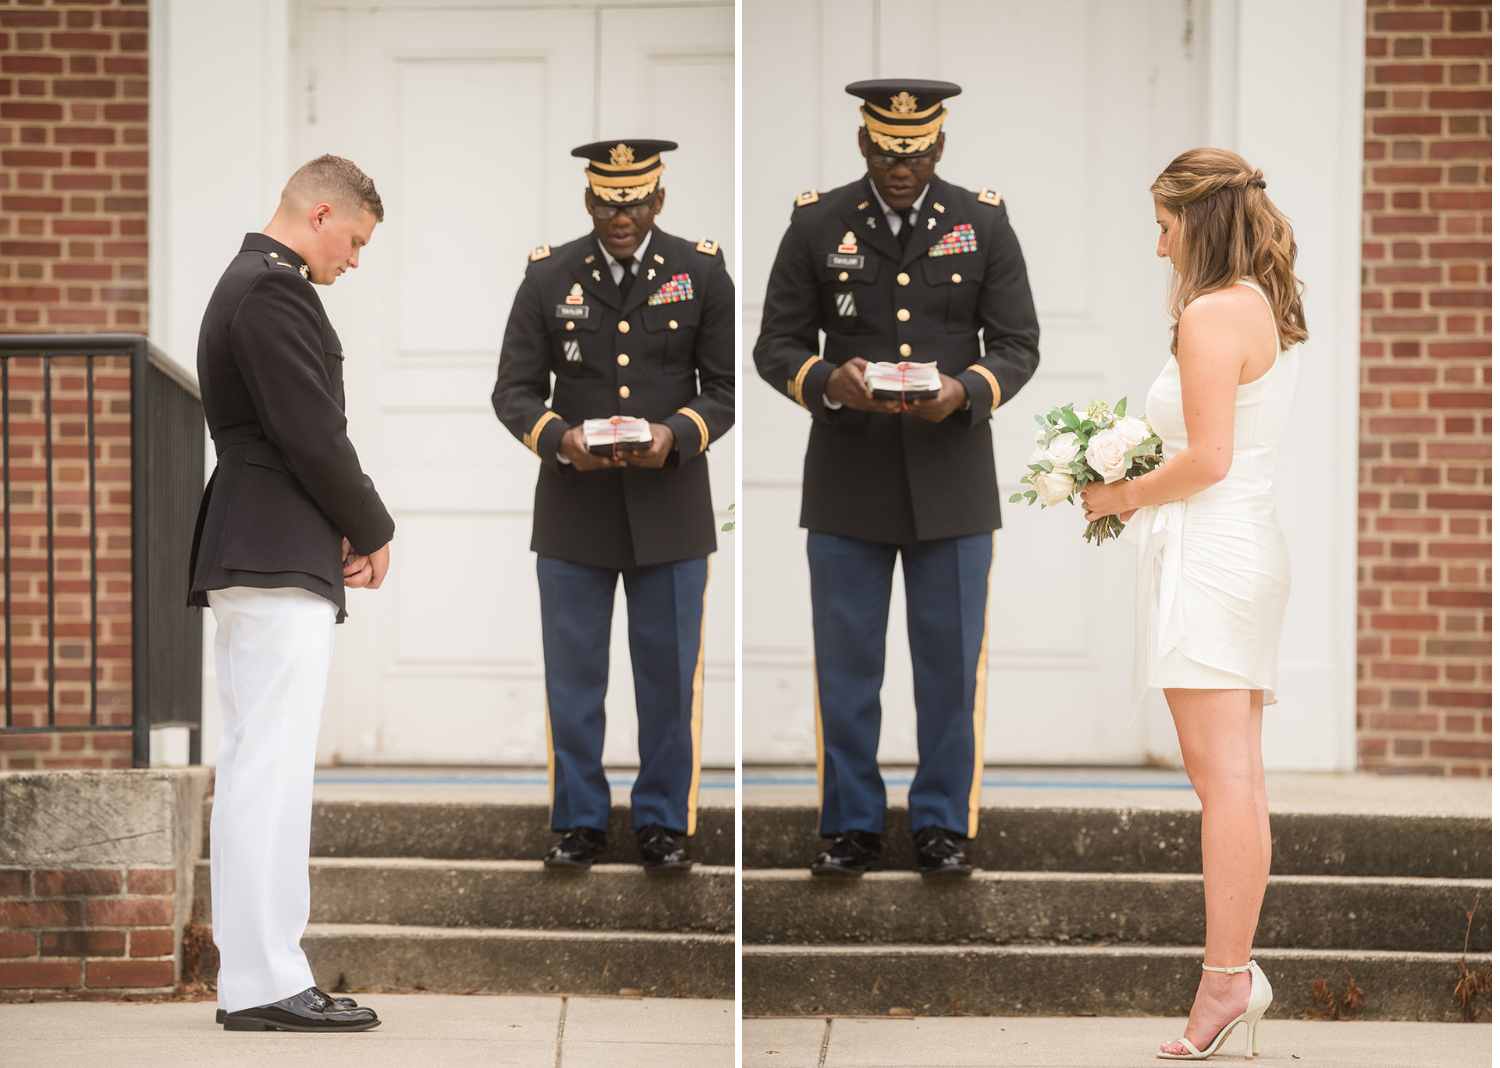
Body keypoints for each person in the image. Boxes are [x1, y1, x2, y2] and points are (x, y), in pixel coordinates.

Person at [753, 80, 1040, 877]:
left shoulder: (982, 222)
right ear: (863, 143)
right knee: (847, 669)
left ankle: (944, 825)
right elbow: (775, 345)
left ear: (938, 145)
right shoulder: (816, 223)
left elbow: (1017, 343)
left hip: (952, 479)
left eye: (914, 151)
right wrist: (823, 381)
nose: (900, 165)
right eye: (885, 149)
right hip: (849, 477)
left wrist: (965, 391)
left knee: (948, 669)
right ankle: (850, 825)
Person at [1081, 148, 1305, 1060]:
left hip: (1212, 554)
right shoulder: (1260, 303)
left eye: (1165, 222)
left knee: (1222, 782)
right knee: (1237, 777)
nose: (1157, 242)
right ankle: (1232, 975)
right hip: (1243, 547)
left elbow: (1207, 458)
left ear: (1197, 221)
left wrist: (1115, 495)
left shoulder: (1212, 314)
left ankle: (1225, 981)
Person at [188, 154, 393, 1033]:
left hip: (261, 541)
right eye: (353, 240)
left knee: (254, 769)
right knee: (269, 773)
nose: (354, 261)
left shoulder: (253, 283)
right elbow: (310, 429)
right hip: (274, 545)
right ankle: (267, 982)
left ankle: (258, 977)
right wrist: (373, 523)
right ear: (318, 214)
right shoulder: (271, 292)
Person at [492, 139, 734, 873]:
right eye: (605, 200)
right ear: (587, 200)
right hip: (576, 507)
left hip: (671, 506)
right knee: (574, 678)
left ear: (658, 199)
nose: (619, 215)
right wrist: (560, 439)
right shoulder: (549, 275)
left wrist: (677, 434)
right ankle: (580, 821)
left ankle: (664, 823)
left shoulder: (700, 271)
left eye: (632, 201)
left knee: (668, 677)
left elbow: (720, 390)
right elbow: (514, 390)